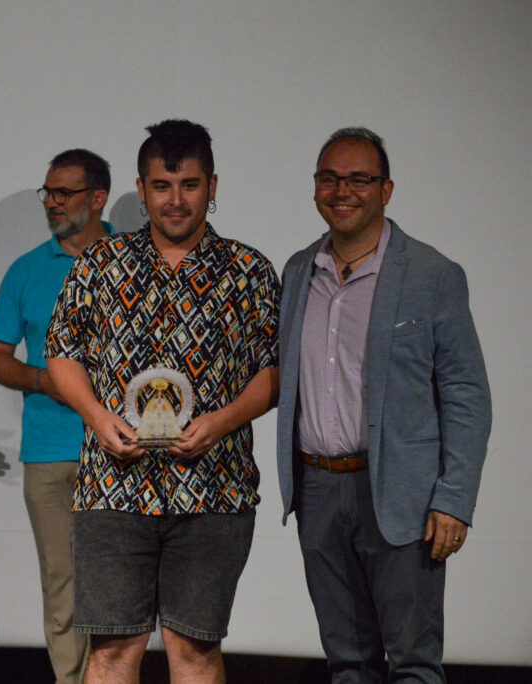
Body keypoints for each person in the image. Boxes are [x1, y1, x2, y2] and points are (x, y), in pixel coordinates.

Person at [45, 120, 280, 683]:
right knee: (110, 653)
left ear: (212, 187)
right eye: (162, 186)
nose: (175, 200)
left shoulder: (248, 271)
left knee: (195, 652)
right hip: (113, 488)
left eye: (190, 185)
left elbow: (273, 370)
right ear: (142, 189)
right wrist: (97, 417)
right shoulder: (101, 264)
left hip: (213, 490)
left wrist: (222, 421)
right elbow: (62, 353)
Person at [275, 127, 492, 683]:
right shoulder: (299, 271)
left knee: (413, 664)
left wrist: (454, 499)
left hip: (403, 496)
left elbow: (466, 393)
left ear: (386, 190)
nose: (342, 191)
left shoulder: (432, 274)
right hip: (319, 491)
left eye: (359, 179)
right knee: (348, 664)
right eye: (329, 178)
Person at [0, 149, 114, 684]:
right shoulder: (26, 270)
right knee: (61, 584)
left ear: (98, 199)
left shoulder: (134, 260)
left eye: (64, 193)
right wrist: (43, 380)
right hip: (49, 452)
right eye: (48, 193)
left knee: (116, 587)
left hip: (122, 450)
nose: (52, 203)